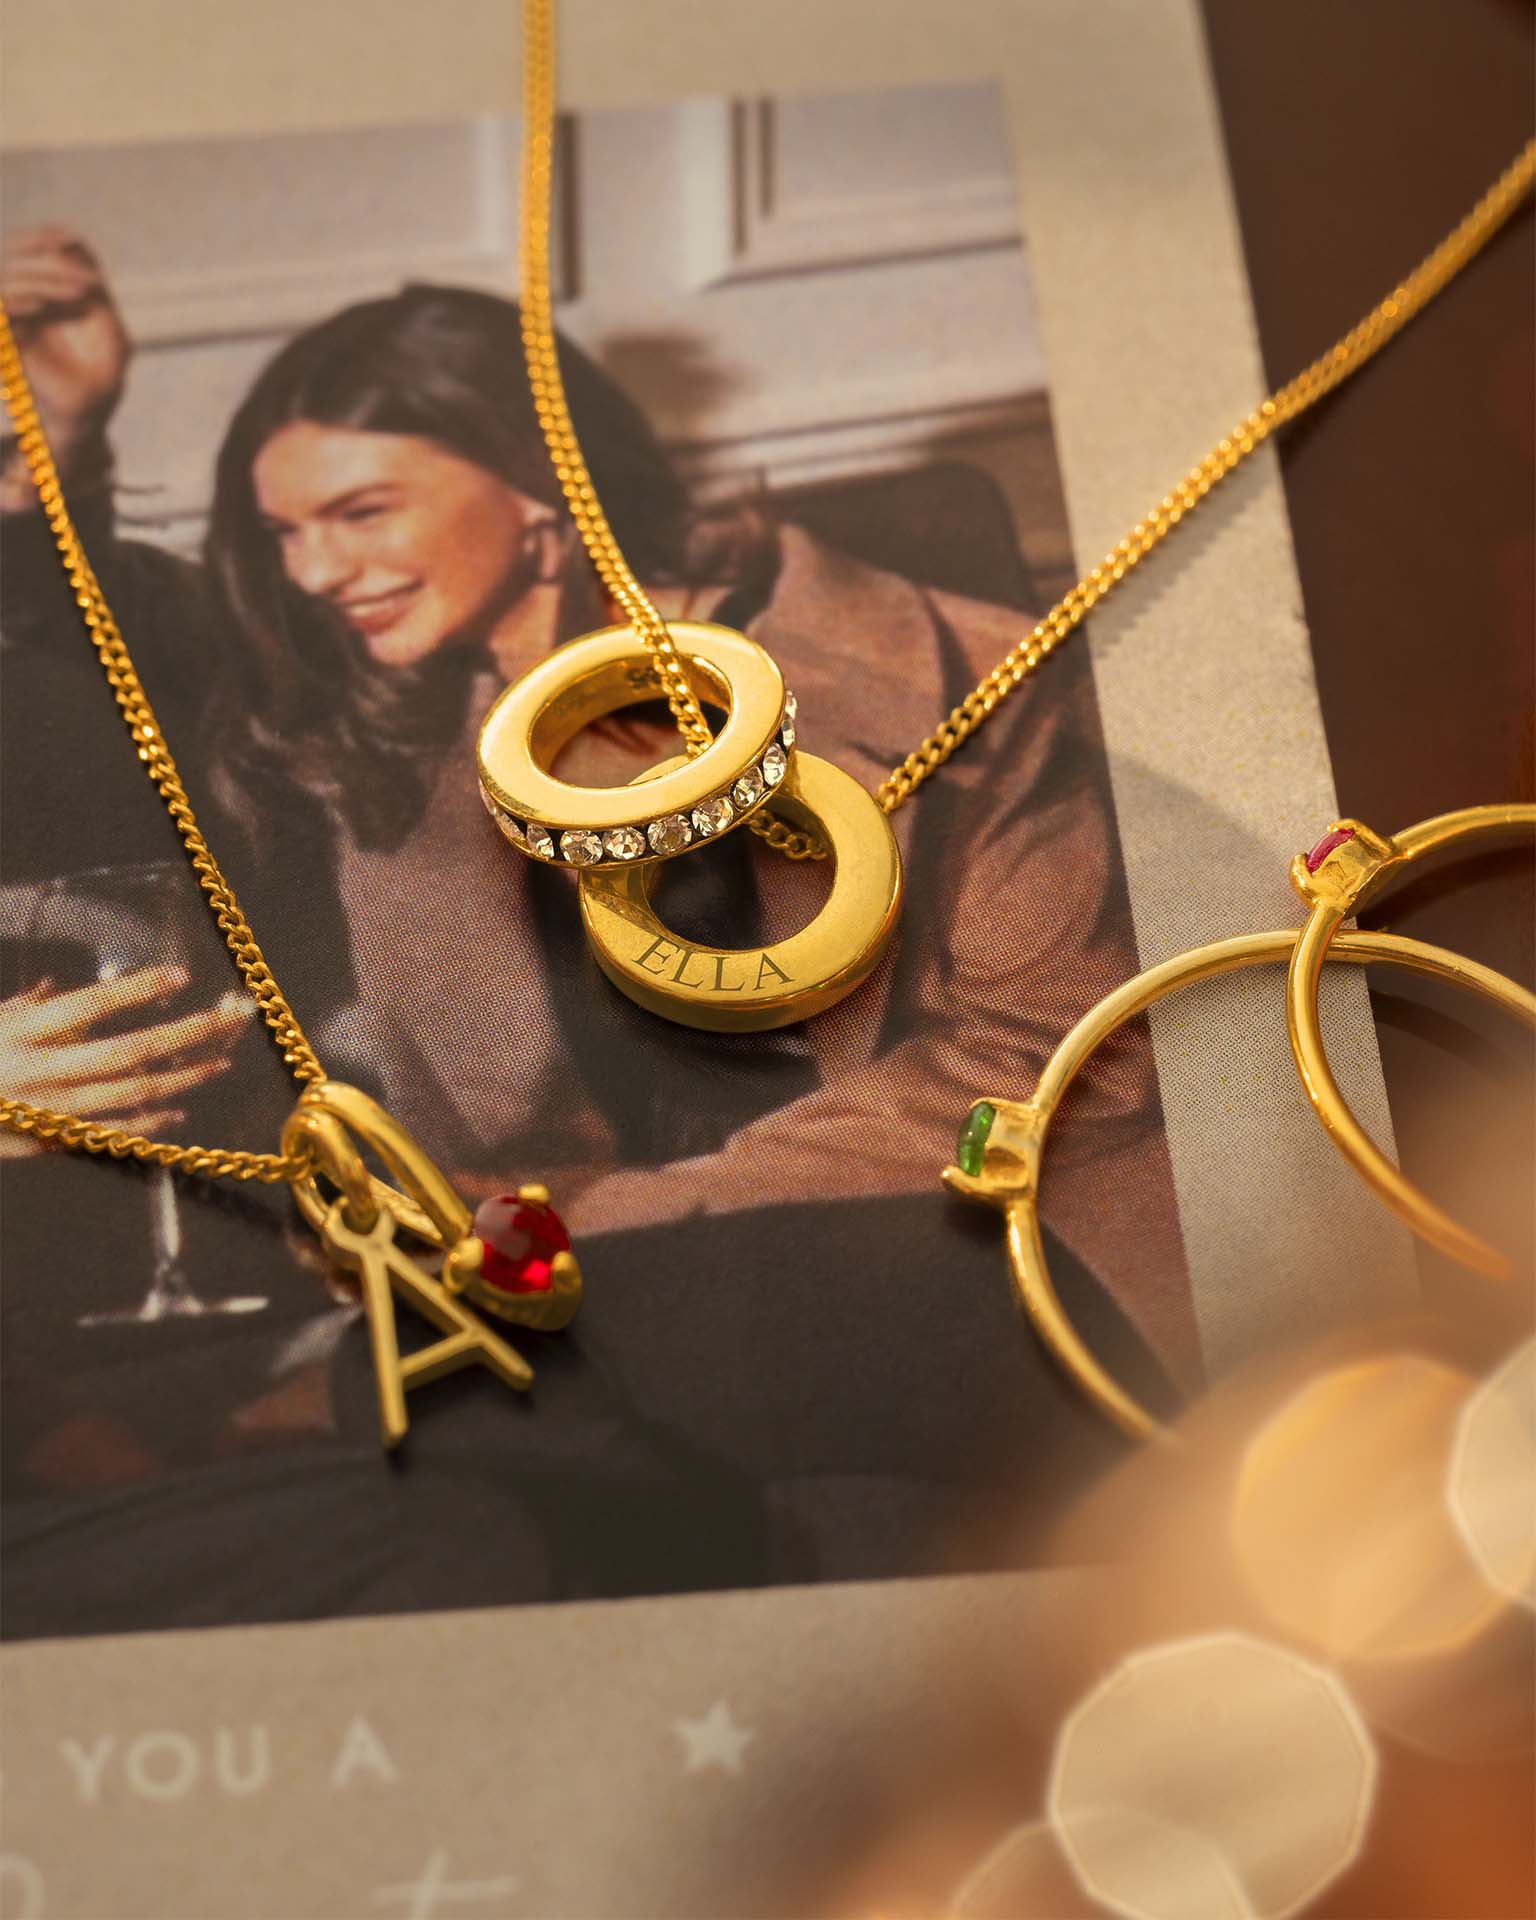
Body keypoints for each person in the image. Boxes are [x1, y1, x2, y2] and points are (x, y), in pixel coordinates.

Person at [1, 227, 1184, 1630]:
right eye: (282, 534)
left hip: (968, 1239)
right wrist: (47, 440)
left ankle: (350, 1419)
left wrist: (620, 1230)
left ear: (536, 489)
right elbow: (92, 662)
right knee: (505, 1457)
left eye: (363, 511)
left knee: (543, 1380)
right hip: (573, 1296)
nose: (316, 571)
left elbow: (1064, 1048)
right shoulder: (366, 739)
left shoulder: (955, 675)